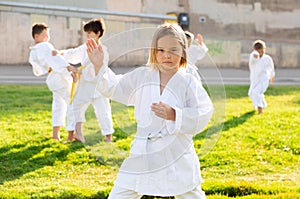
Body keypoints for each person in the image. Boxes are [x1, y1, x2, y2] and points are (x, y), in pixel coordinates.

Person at [86, 23, 214, 198]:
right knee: (122, 192)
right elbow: (114, 87)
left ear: (183, 51)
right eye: (161, 50)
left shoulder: (189, 81)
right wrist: (99, 66)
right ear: (153, 51)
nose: (166, 55)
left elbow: (204, 111)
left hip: (176, 151)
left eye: (173, 50)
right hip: (143, 150)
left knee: (189, 192)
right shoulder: (143, 76)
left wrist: (174, 114)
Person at [54, 18, 114, 143]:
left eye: (90, 33)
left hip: (98, 85)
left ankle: (108, 136)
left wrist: (80, 71)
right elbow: (73, 53)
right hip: (85, 85)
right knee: (76, 107)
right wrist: (60, 53)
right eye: (86, 33)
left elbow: (99, 68)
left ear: (98, 33)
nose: (87, 36)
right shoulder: (84, 48)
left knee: (103, 110)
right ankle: (78, 134)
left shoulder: (104, 50)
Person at [29, 23, 78, 141]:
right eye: (45, 35)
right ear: (36, 36)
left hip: (52, 78)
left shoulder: (34, 51)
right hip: (58, 77)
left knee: (58, 104)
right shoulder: (45, 46)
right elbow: (57, 60)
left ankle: (56, 135)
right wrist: (70, 68)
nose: (47, 38)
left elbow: (38, 69)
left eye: (48, 35)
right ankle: (71, 134)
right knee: (72, 102)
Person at [248, 39, 275, 114]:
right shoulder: (253, 56)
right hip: (255, 79)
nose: (261, 53)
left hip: (264, 79)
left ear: (265, 49)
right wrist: (255, 55)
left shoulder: (267, 58)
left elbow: (271, 67)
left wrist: (272, 76)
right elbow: (253, 58)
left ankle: (260, 110)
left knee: (256, 92)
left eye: (262, 51)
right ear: (255, 50)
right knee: (252, 93)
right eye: (259, 51)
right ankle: (263, 104)